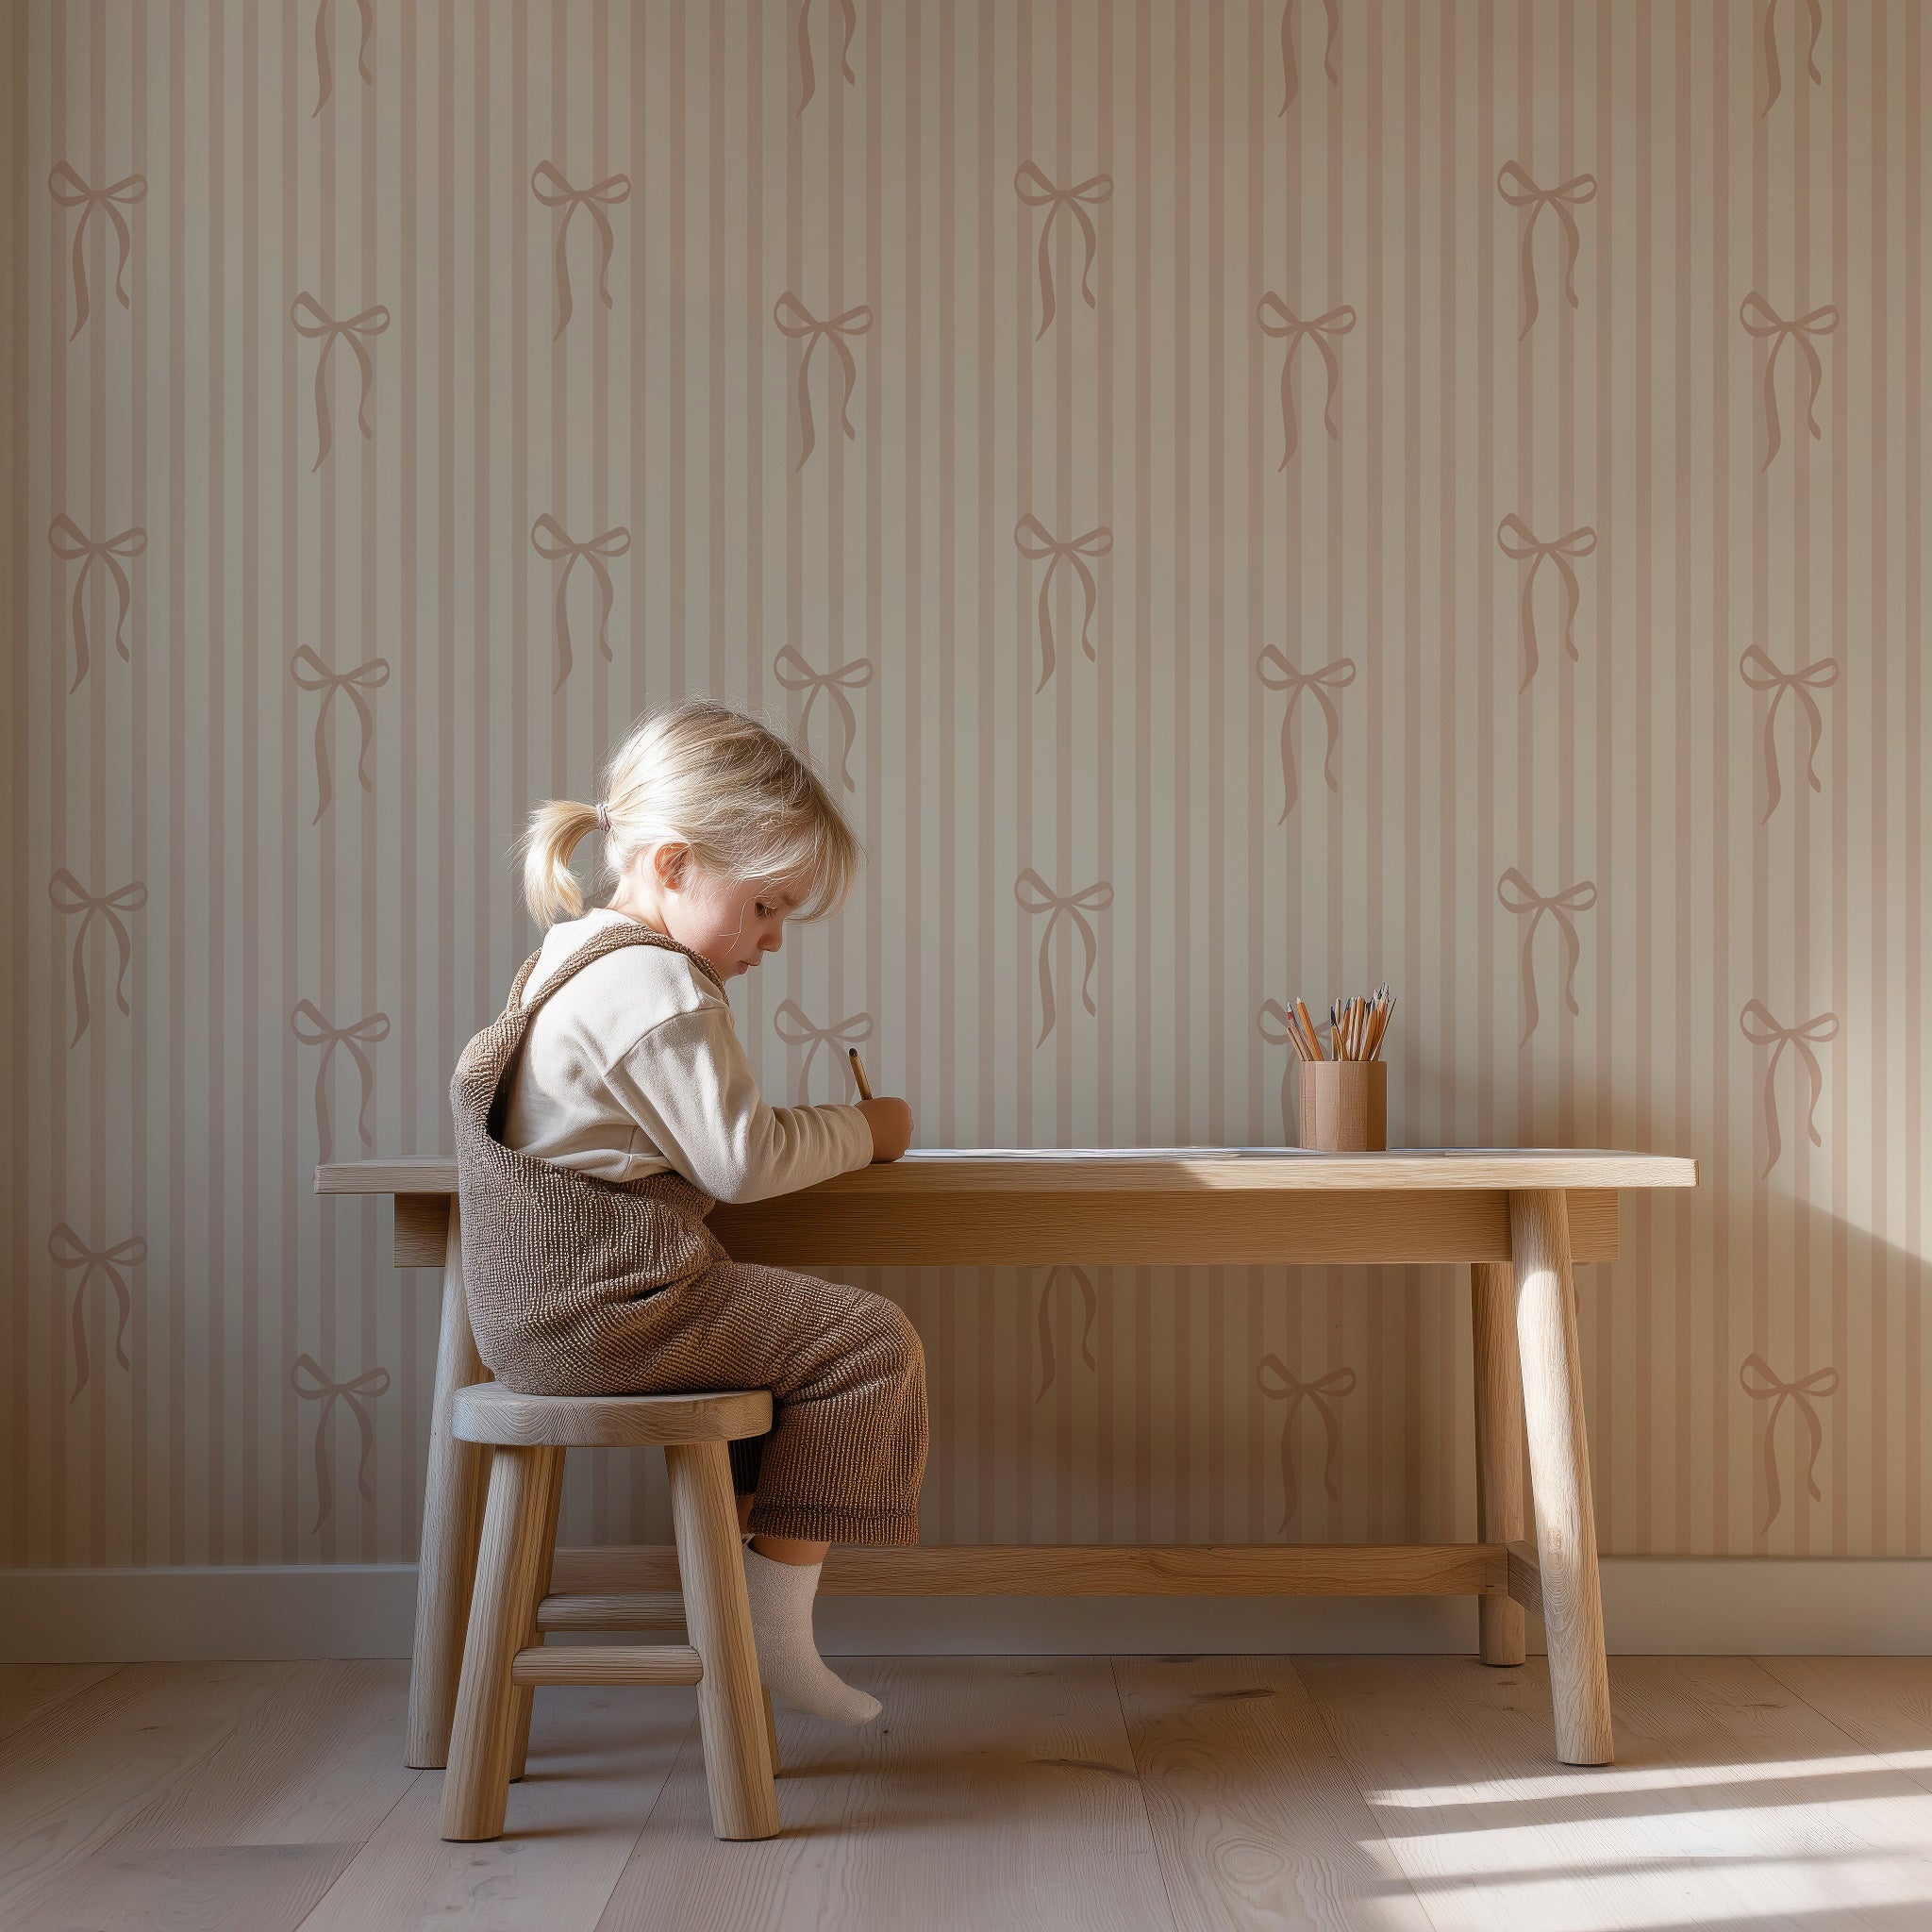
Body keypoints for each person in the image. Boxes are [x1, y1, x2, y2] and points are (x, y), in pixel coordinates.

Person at [449, 697, 924, 1725]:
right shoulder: (658, 986)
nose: (773, 938)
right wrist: (864, 1130)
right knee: (865, 1343)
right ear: (671, 865)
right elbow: (741, 1158)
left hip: (535, 1321)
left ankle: (754, 1597)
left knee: (793, 1345)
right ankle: (769, 1625)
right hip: (612, 1312)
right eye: (764, 905)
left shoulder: (567, 959)